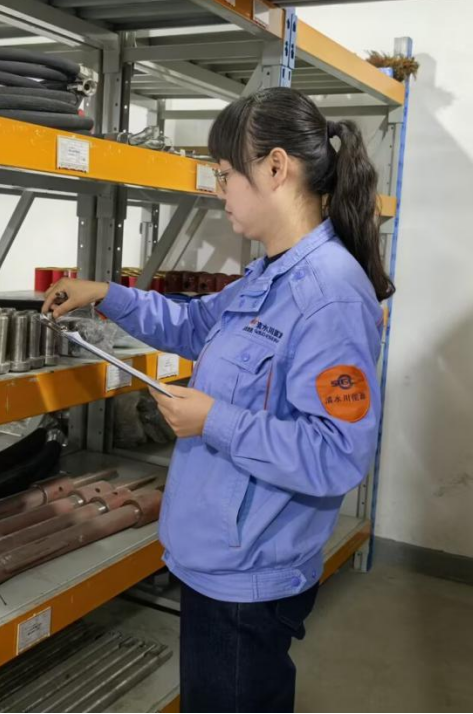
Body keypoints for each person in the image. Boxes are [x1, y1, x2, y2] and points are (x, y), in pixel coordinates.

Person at [42, 86, 394, 714]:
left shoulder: (329, 295)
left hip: (250, 579)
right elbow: (195, 323)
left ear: (277, 168)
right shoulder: (271, 274)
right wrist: (106, 294)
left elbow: (337, 454)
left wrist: (215, 421)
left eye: (226, 174)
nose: (219, 189)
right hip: (219, 561)